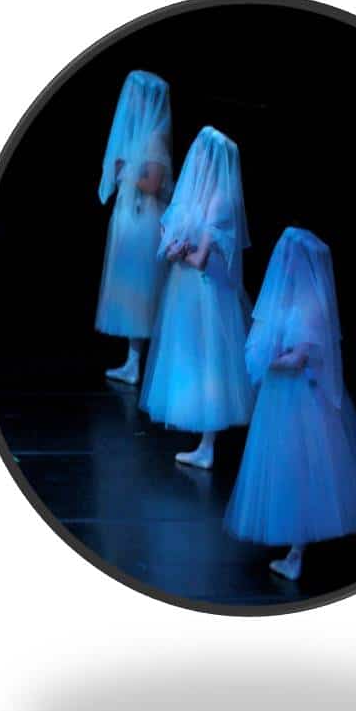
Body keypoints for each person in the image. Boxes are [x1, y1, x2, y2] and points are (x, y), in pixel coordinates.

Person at [224, 227, 356, 579]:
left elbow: (299, 359)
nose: (283, 265)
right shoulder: (290, 301)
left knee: (322, 469)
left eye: (289, 259)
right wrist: (267, 354)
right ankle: (299, 554)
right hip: (286, 398)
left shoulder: (310, 305)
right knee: (300, 470)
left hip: (305, 399)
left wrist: (270, 362)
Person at [140, 126, 254, 468]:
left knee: (208, 360)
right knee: (188, 357)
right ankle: (201, 440)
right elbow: (171, 238)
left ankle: (208, 445)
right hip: (185, 289)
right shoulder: (192, 195)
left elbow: (202, 258)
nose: (197, 160)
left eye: (203, 155)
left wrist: (180, 253)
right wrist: (173, 248)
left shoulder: (220, 200)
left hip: (206, 292)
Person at [96, 71, 173, 384]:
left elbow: (153, 184)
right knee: (131, 292)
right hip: (130, 219)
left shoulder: (154, 138)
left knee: (141, 291)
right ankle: (132, 362)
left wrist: (126, 172)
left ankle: (140, 363)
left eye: (138, 98)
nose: (132, 103)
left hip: (144, 221)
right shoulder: (136, 136)